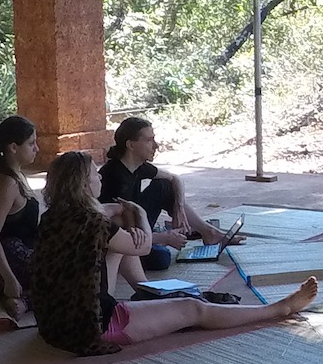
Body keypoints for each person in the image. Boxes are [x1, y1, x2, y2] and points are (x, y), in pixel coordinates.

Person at [31, 150, 316, 357]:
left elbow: (100, 218)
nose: (99, 176)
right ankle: (277, 308)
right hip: (92, 326)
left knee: (120, 239)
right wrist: (140, 215)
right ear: (83, 184)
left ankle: (147, 291)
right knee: (193, 309)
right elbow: (143, 247)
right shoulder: (94, 223)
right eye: (94, 173)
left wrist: (116, 211)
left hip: (53, 323)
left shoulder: (52, 217)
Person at [98, 115, 240, 273]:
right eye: (149, 140)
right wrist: (164, 238)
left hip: (136, 220)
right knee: (161, 258)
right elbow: (122, 232)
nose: (156, 146)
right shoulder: (115, 177)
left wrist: (178, 208)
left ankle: (209, 232)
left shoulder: (139, 166)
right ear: (131, 145)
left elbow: (174, 178)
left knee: (164, 185)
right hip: (119, 236)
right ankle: (155, 239)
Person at [0, 115, 42, 315]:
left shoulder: (16, 175)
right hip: (5, 264)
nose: (37, 149)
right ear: (13, 147)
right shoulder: (6, 183)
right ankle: (25, 301)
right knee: (69, 276)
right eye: (31, 144)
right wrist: (9, 279)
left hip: (22, 255)